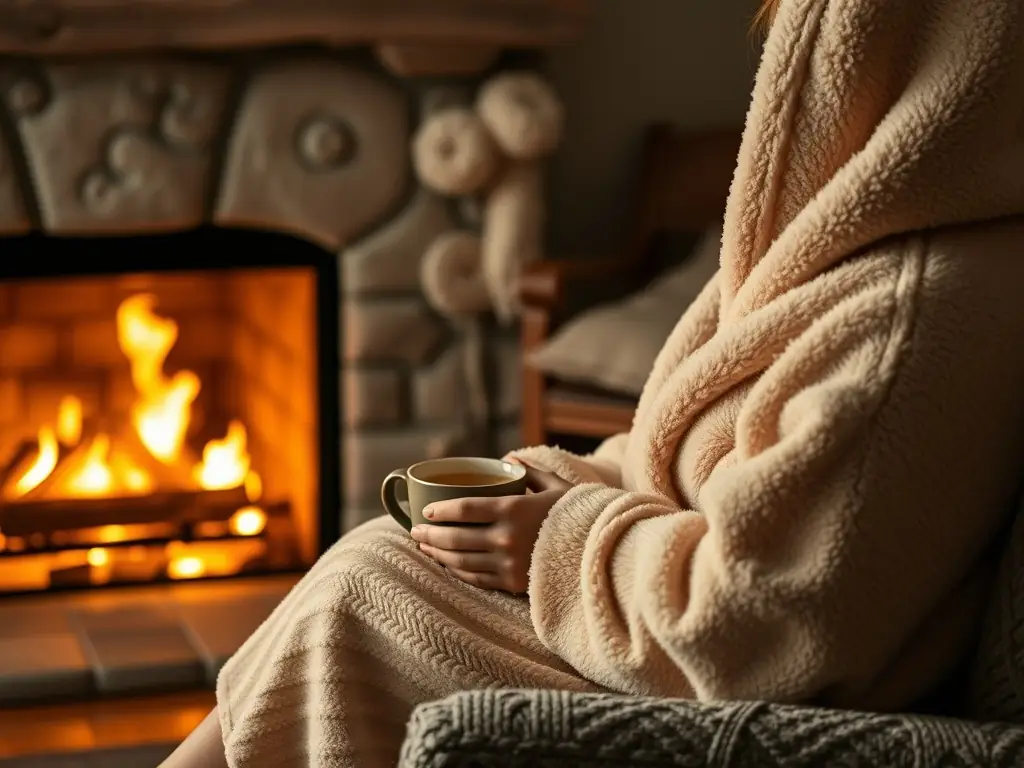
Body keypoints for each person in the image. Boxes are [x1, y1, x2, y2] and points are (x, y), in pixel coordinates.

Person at [162, 0, 1024, 765]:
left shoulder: (915, 310)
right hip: (654, 617)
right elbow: (684, 451)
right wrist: (546, 490)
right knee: (375, 560)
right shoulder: (824, 263)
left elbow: (761, 626)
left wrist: (553, 539)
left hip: (746, 697)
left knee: (360, 605)